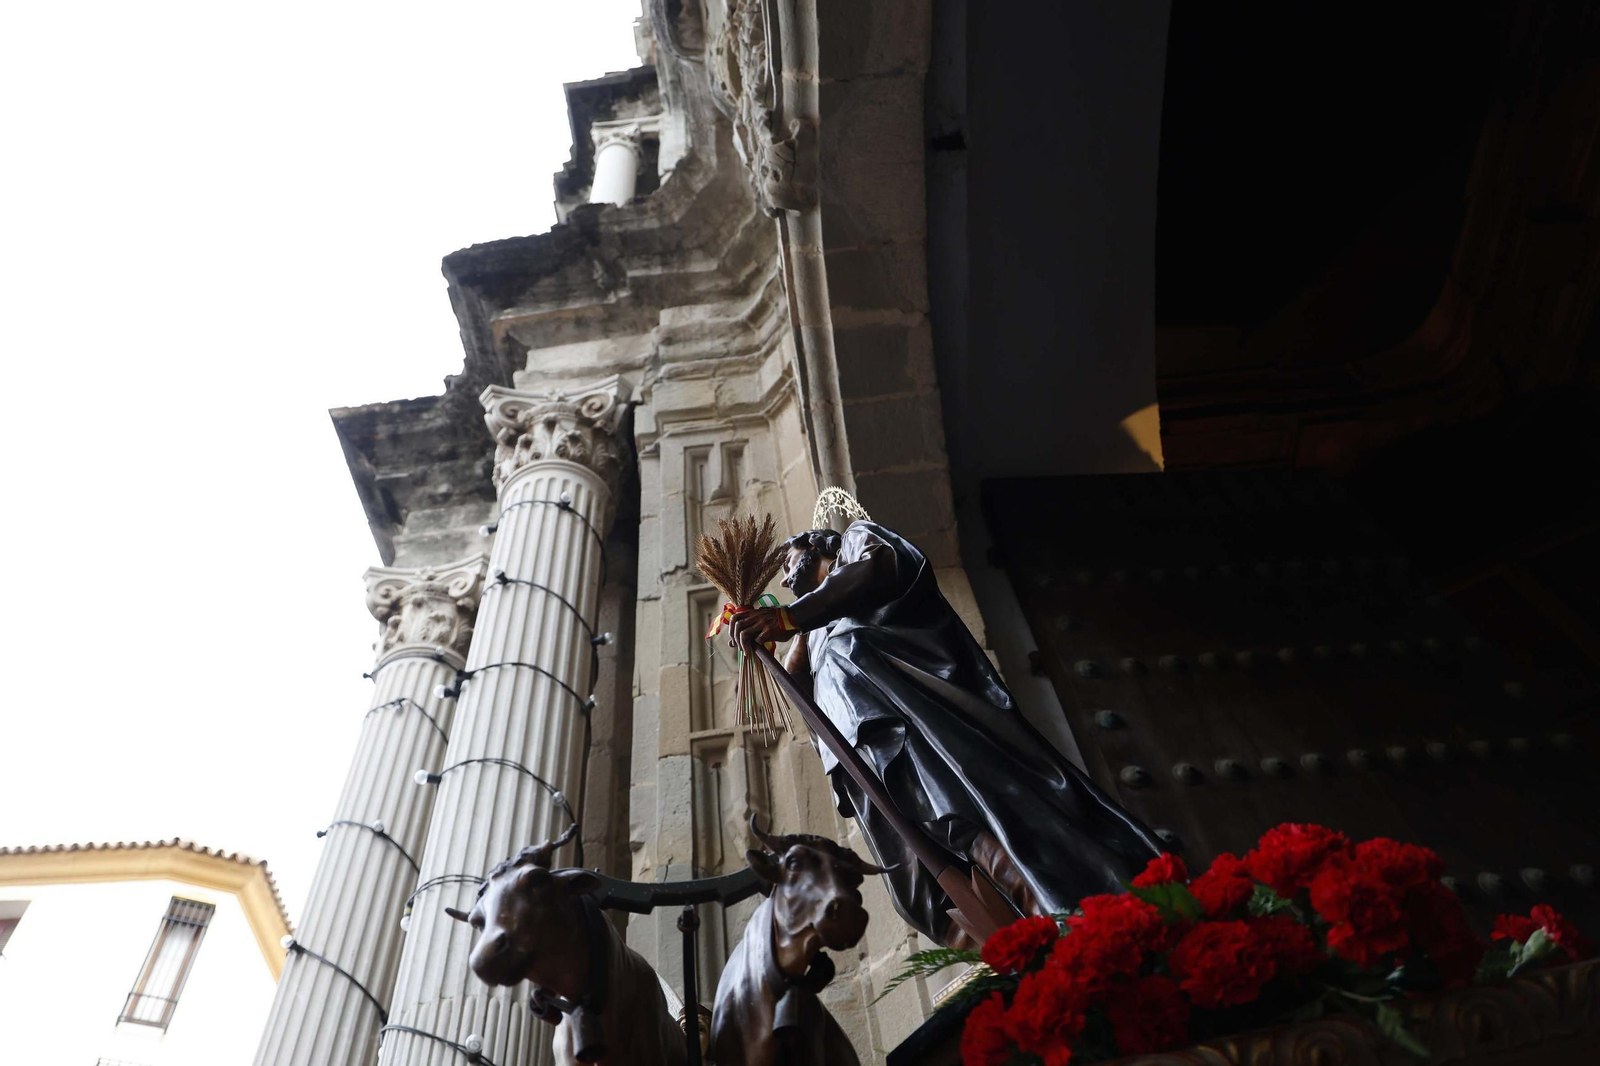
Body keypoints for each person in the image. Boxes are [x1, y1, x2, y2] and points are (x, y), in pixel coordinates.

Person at [728, 508, 1161, 948]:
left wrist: (791, 617)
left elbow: (887, 567)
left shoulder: (858, 543)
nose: (786, 580)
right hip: (865, 757)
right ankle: (1017, 956)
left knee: (967, 818)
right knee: (916, 890)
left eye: (788, 563)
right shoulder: (813, 630)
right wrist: (788, 650)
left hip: (919, 728)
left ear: (816, 543)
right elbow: (814, 703)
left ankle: (1067, 926)